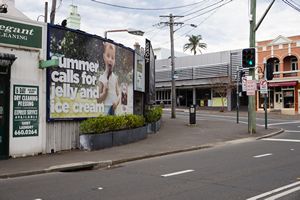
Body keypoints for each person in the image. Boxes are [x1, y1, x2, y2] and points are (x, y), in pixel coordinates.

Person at [97, 42, 120, 115]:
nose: (110, 59)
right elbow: (98, 99)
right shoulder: (101, 78)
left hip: (114, 108)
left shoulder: (115, 78)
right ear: (104, 57)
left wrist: (116, 102)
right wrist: (104, 93)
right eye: (108, 56)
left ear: (114, 61)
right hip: (106, 108)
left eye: (112, 58)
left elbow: (119, 94)